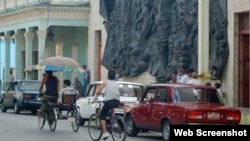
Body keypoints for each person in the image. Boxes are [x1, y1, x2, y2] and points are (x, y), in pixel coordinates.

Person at [92, 70, 120, 140]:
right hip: (117, 101)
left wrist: (94, 99)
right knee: (111, 108)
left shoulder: (105, 82)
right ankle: (114, 121)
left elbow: (98, 92)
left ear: (108, 76)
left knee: (102, 117)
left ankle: (105, 133)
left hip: (109, 101)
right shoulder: (116, 83)